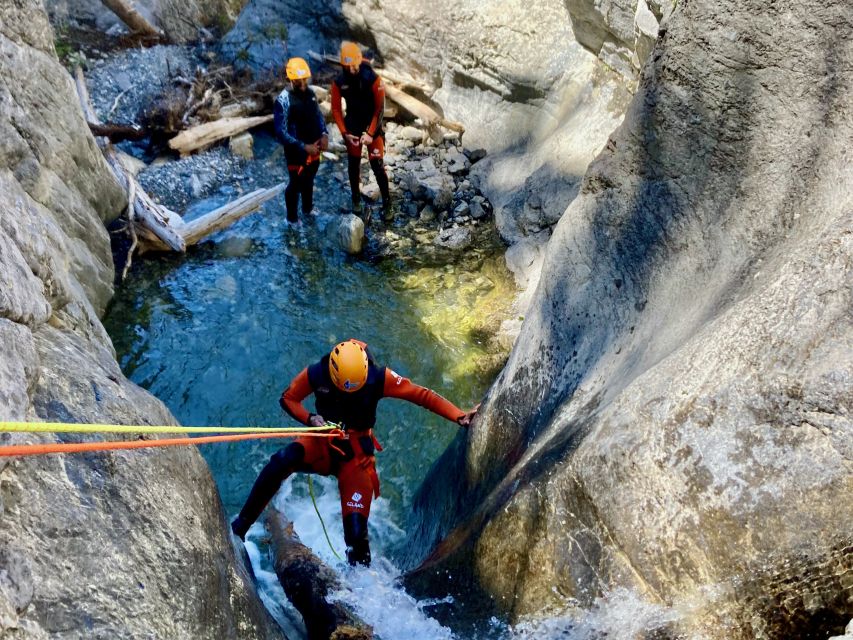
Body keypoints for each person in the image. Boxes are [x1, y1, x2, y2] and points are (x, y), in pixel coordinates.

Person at [231, 339, 478, 566]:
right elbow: (288, 398)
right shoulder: (318, 373)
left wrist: (459, 415)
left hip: (356, 456)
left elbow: (421, 395)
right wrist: (311, 418)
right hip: (322, 441)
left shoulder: (379, 377)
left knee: (356, 534)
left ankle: (360, 588)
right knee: (279, 463)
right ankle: (238, 530)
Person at [331, 42, 392, 216]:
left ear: (359, 61)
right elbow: (335, 109)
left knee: (377, 165)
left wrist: (371, 133)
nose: (352, 70)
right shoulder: (338, 82)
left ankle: (387, 203)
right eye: (348, 67)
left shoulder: (372, 78)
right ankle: (356, 199)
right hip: (352, 125)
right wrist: (344, 133)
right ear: (343, 65)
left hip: (372, 124)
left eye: (355, 66)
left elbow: (380, 108)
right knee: (353, 164)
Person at [274, 57, 329, 223]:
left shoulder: (311, 93)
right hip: (296, 152)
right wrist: (303, 147)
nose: (304, 84)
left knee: (309, 179)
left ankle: (308, 210)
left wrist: (325, 134)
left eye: (305, 79)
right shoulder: (283, 100)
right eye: (299, 81)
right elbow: (280, 132)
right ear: (291, 79)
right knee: (295, 184)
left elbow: (318, 115)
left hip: (315, 147)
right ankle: (291, 221)